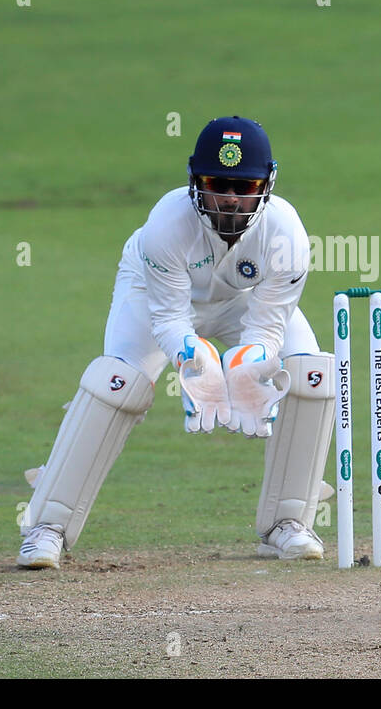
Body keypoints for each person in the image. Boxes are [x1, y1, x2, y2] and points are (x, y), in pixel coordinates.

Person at [17, 116, 334, 569]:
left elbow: (267, 327)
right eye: (216, 183)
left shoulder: (286, 236)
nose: (229, 198)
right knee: (118, 383)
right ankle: (47, 527)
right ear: (194, 181)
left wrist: (249, 362)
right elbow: (168, 317)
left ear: (267, 184)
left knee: (312, 374)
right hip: (154, 292)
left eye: (243, 186)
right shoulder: (166, 223)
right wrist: (196, 358)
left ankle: (289, 522)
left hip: (239, 299)